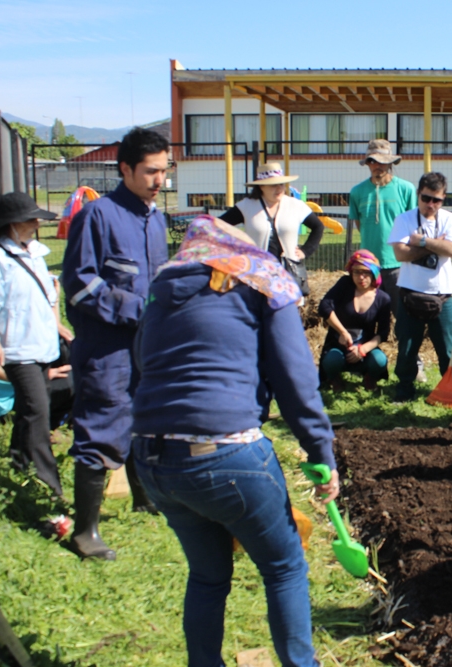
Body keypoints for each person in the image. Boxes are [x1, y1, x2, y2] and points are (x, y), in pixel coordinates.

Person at [131, 215, 337, 667]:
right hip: (226, 454)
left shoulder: (162, 286)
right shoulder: (260, 277)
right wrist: (322, 452)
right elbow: (296, 381)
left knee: (207, 575)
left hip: (152, 458)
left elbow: (143, 365)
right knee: (283, 566)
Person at [62, 126, 170, 560]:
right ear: (124, 168)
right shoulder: (98, 216)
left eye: (164, 171)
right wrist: (135, 308)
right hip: (106, 346)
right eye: (150, 171)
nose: (159, 180)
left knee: (144, 418)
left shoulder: (155, 217)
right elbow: (79, 285)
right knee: (102, 423)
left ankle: (145, 496)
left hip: (147, 344)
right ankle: (85, 530)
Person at [0, 192, 72, 497]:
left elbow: (47, 294)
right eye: (30, 218)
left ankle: (18, 463)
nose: (36, 223)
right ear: (11, 224)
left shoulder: (33, 253)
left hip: (39, 345)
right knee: (37, 412)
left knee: (31, 410)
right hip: (17, 350)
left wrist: (56, 324)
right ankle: (48, 484)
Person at [388, 172, 452, 403]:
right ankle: (404, 391)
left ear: (444, 199)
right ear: (418, 195)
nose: (430, 204)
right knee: (407, 347)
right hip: (410, 292)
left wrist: (421, 242)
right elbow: (401, 254)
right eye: (426, 198)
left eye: (437, 200)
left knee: (447, 348)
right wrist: (437, 245)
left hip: (443, 295)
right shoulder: (404, 219)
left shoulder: (451, 220)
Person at [220, 161, 324, 272]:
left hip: (289, 273)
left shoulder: (296, 205)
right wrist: (236, 250)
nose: (279, 189)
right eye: (273, 185)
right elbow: (216, 225)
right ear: (261, 186)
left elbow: (318, 227)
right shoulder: (246, 206)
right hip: (257, 272)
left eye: (281, 184)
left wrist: (305, 251)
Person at [348, 139, 417, 305]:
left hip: (397, 263)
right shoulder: (357, 192)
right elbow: (360, 224)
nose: (376, 165)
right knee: (370, 314)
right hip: (369, 265)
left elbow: (413, 225)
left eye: (381, 161)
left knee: (401, 313)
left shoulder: (406, 189)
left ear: (390, 163)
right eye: (372, 161)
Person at [318, 249, 391, 392]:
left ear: (374, 274)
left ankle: (370, 377)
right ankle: (333, 378)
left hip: (365, 350)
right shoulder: (344, 285)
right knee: (332, 359)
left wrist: (363, 349)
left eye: (366, 272)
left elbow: (383, 332)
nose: (361, 277)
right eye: (357, 272)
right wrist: (342, 332)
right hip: (338, 348)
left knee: (380, 360)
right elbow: (324, 307)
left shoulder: (383, 299)